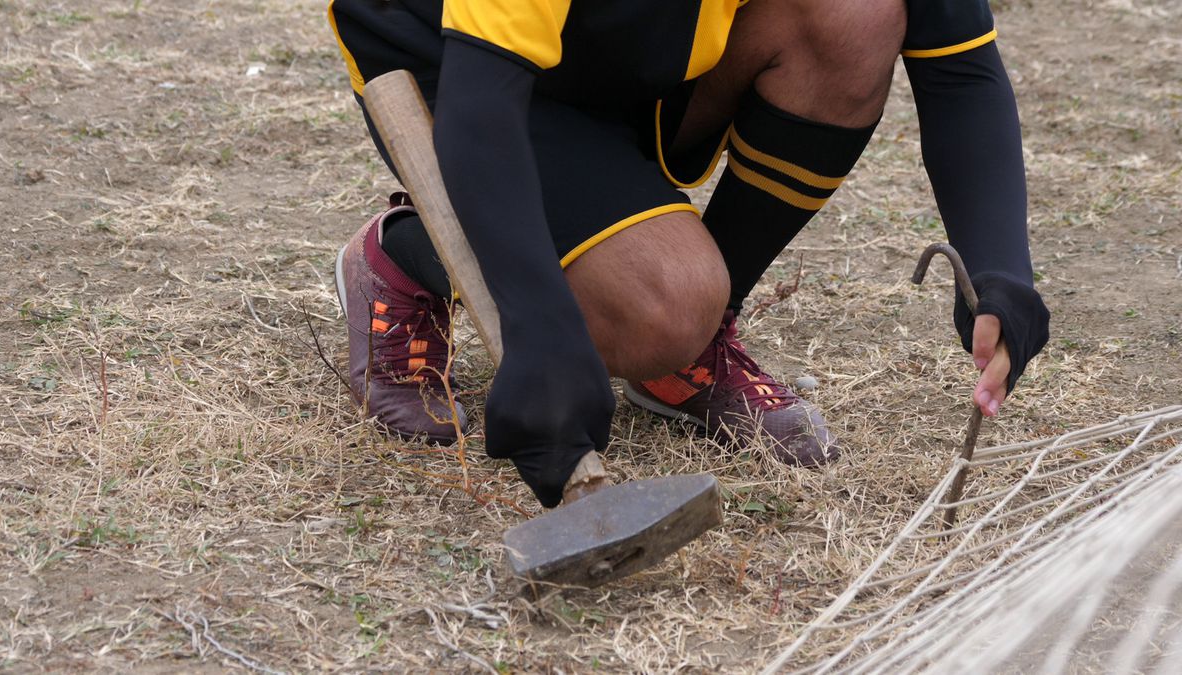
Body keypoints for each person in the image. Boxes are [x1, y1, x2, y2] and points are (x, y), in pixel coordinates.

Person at [327, 0, 1051, 508]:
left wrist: (999, 270)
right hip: (463, 68)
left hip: (637, 50)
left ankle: (687, 353)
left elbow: (961, 71)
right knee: (665, 303)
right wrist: (538, 323)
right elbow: (483, 105)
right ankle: (409, 252)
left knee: (853, 14)